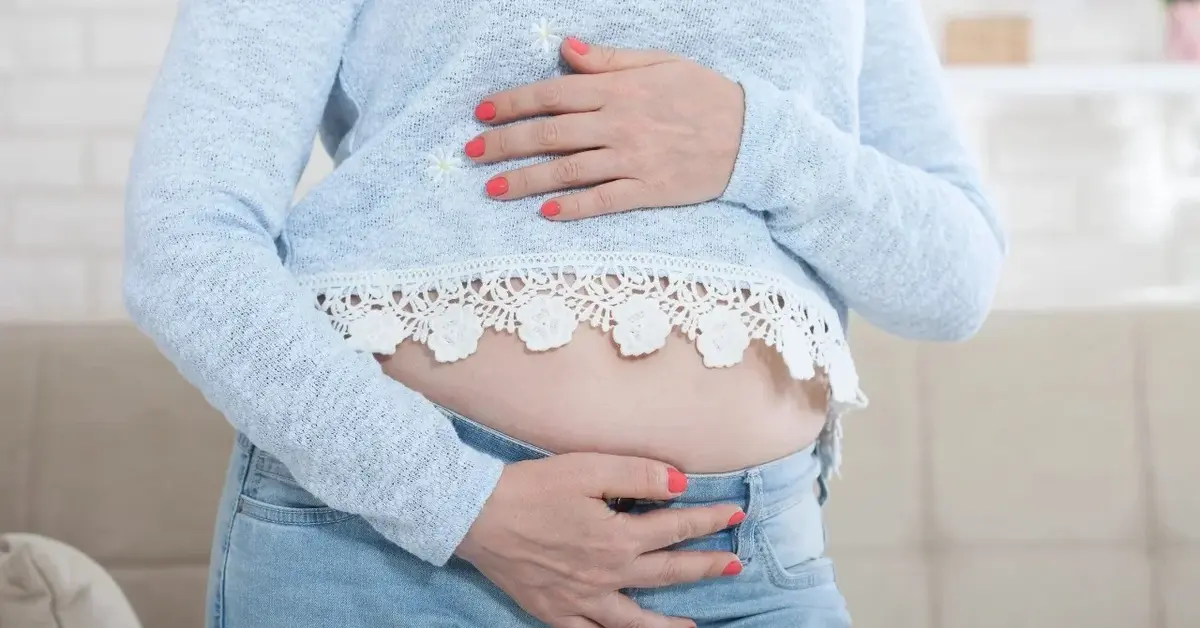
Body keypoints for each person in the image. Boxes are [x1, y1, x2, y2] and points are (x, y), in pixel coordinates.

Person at [123, 0, 1006, 626]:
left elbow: (954, 280)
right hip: (394, 559)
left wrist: (754, 142)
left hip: (743, 566)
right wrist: (459, 503)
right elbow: (186, 243)